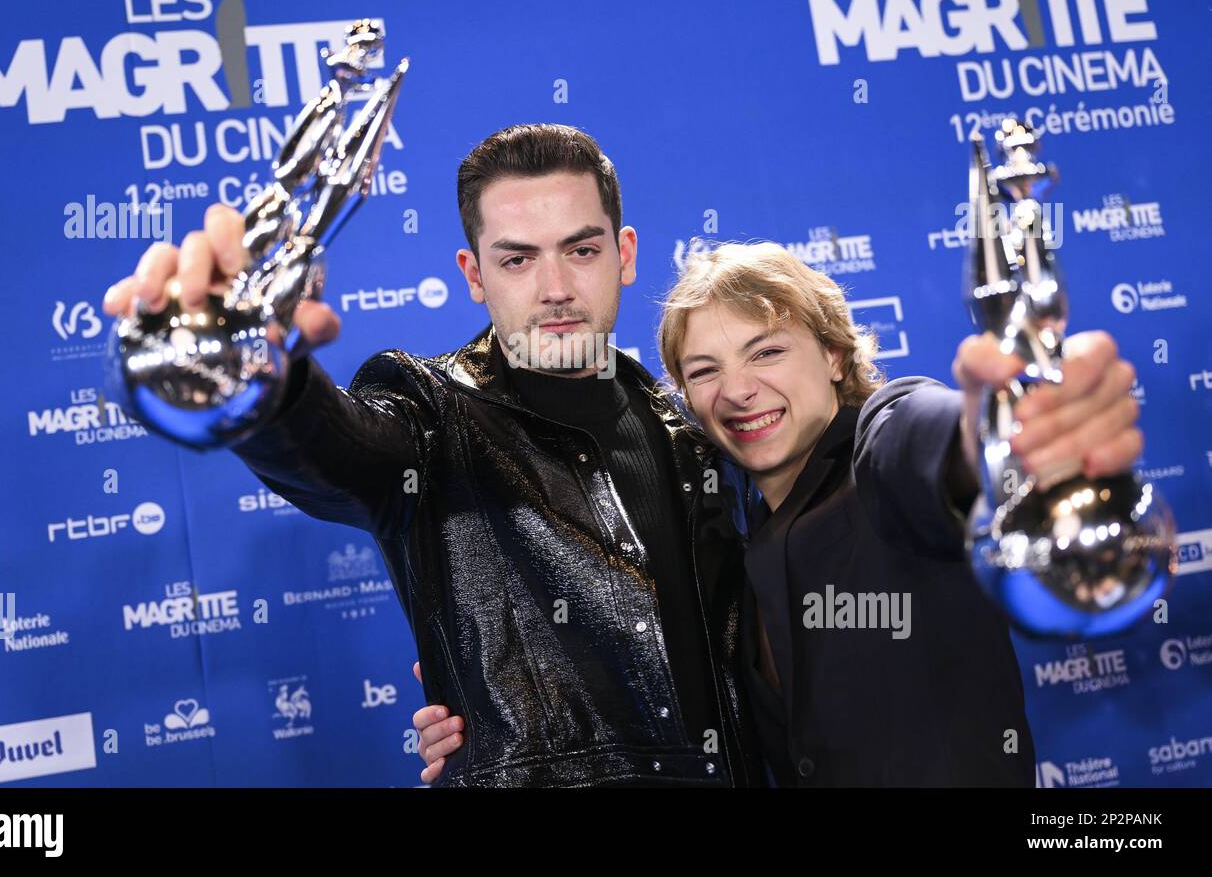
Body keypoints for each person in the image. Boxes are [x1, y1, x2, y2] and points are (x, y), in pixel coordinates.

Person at [103, 123, 765, 788]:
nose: (555, 286)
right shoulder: (429, 411)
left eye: (580, 250)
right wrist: (262, 378)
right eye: (517, 259)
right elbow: (336, 451)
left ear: (624, 253)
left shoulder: (695, 431)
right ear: (473, 274)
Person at [415, 241, 1143, 786]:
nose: (738, 390)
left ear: (832, 354)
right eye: (704, 371)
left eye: (766, 352)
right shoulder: (726, 545)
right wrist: (494, 708)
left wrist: (1002, 437)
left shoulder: (880, 449)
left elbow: (932, 440)